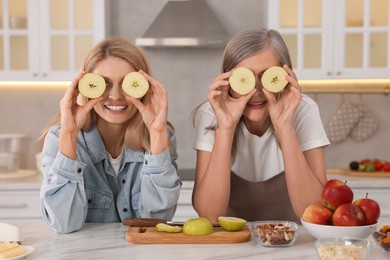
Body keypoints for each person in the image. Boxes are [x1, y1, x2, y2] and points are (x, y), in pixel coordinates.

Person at [39, 37, 181, 233]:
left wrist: (156, 134)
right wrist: (69, 134)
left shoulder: (161, 136)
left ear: (144, 87)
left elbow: (155, 223)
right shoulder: (59, 137)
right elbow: (63, 224)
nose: (115, 96)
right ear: (84, 87)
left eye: (127, 84)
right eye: (103, 84)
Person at [191, 29, 330, 223]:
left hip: (293, 245)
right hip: (230, 246)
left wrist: (285, 126)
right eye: (244, 79)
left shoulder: (303, 111)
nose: (256, 91)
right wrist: (226, 127)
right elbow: (210, 215)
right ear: (227, 81)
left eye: (268, 77)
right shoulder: (210, 114)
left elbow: (314, 212)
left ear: (286, 76)